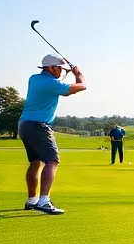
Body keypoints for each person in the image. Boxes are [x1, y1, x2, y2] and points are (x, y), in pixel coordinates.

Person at [18, 54, 86, 215]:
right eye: (59, 68)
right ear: (50, 68)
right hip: (39, 126)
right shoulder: (51, 84)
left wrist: (65, 73)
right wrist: (79, 75)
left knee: (36, 162)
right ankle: (44, 201)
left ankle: (32, 200)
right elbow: (81, 87)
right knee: (52, 161)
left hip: (25, 124)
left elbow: (56, 83)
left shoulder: (34, 78)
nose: (62, 71)